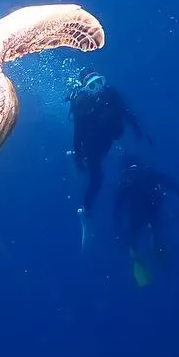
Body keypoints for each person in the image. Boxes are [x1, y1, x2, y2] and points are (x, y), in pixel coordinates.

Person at [68, 71, 151, 246]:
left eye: (99, 82)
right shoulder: (82, 103)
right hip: (91, 146)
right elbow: (78, 133)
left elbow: (128, 112)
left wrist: (140, 131)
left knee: (108, 156)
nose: (97, 88)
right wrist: (77, 154)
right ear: (86, 88)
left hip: (108, 140)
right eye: (92, 86)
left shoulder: (112, 94)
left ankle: (80, 158)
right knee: (97, 177)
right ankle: (86, 209)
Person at [113, 154, 179, 287]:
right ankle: (151, 249)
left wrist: (118, 231)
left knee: (137, 238)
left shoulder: (128, 184)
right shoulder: (145, 176)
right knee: (150, 233)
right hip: (149, 213)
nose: (132, 175)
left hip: (143, 214)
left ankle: (142, 253)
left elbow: (117, 211)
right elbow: (170, 183)